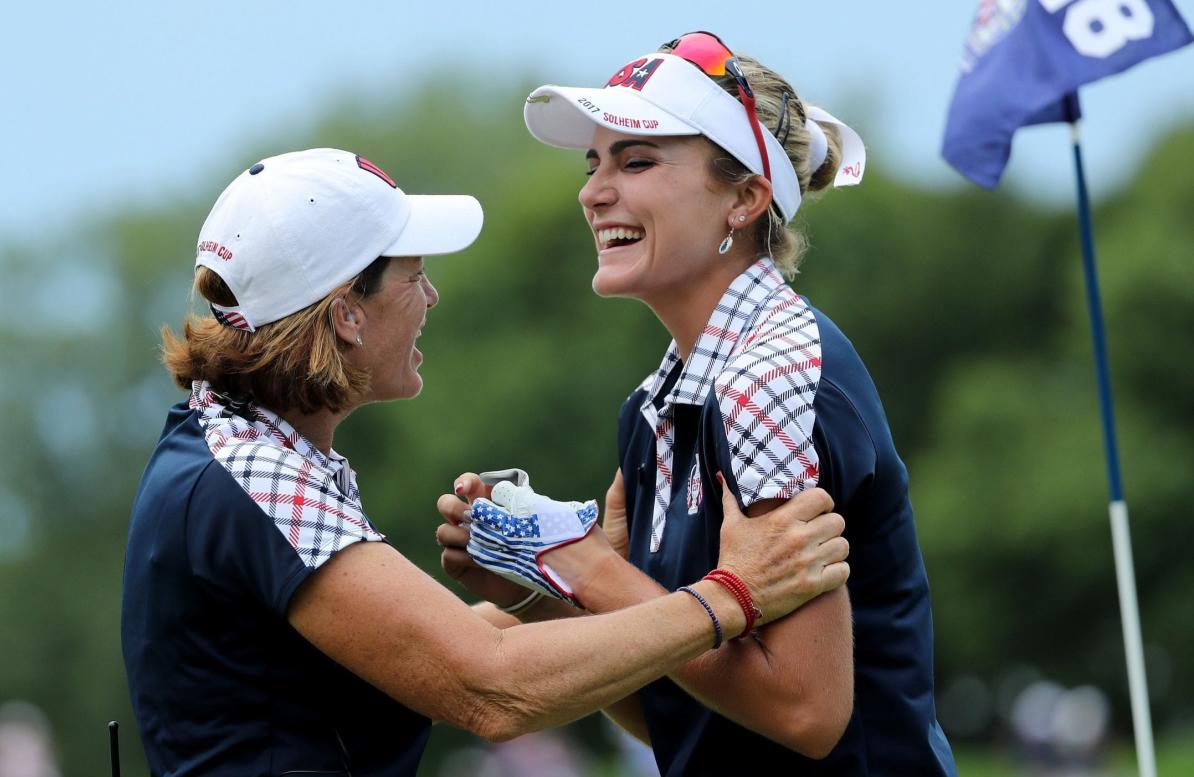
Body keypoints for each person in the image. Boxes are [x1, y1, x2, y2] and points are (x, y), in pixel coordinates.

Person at [119, 147, 851, 776]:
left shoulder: (236, 446)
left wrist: (551, 586)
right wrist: (733, 594)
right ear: (345, 313)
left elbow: (458, 656)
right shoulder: (257, 475)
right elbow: (492, 690)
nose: (431, 296)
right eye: (413, 276)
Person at [437, 32, 956, 775]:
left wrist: (585, 567)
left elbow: (806, 712)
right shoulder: (656, 404)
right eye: (594, 162)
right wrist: (541, 592)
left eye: (637, 160)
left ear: (744, 199)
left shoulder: (768, 378)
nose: (593, 190)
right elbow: (678, 712)